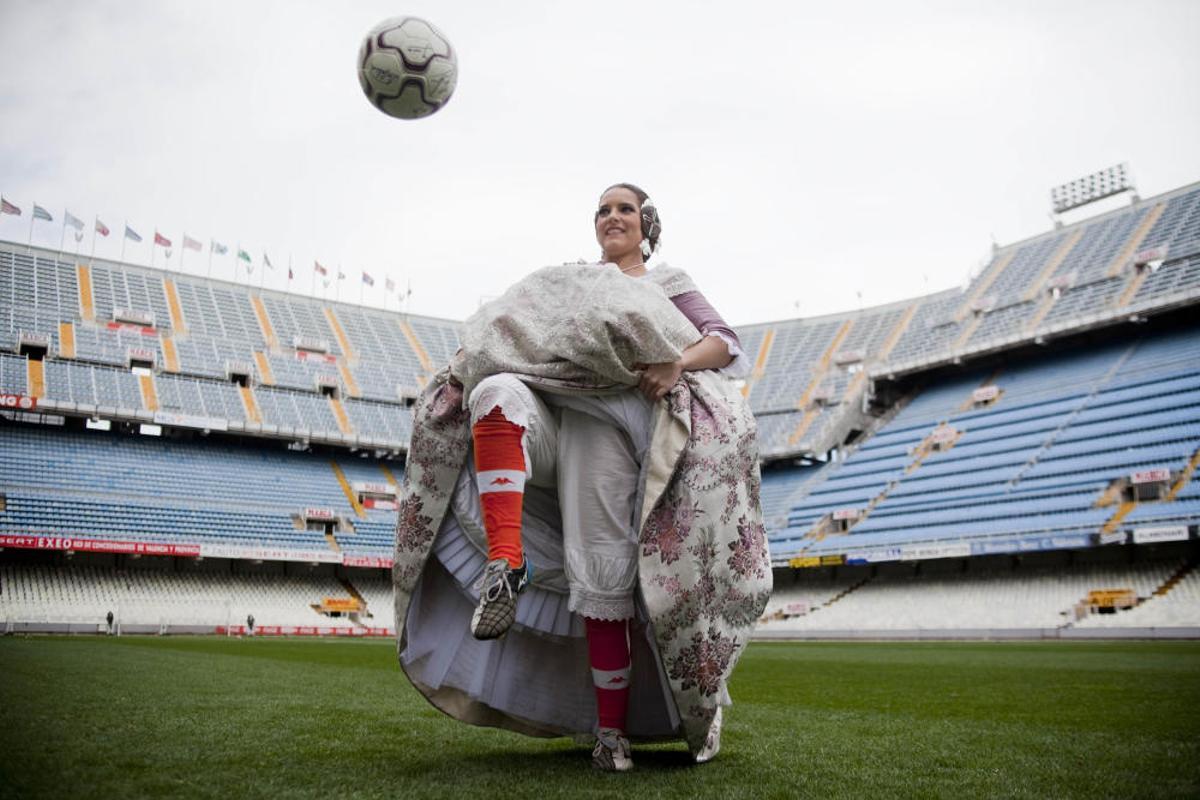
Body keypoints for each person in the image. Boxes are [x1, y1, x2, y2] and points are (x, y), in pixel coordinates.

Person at [393, 183, 770, 773]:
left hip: (609, 421)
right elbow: (518, 328)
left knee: (599, 569)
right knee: (495, 393)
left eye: (624, 209)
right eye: (603, 210)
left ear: (647, 225)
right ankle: (507, 560)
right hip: (552, 407)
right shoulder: (570, 282)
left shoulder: (667, 281)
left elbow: (725, 343)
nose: (612, 217)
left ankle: (612, 736)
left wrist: (676, 363)